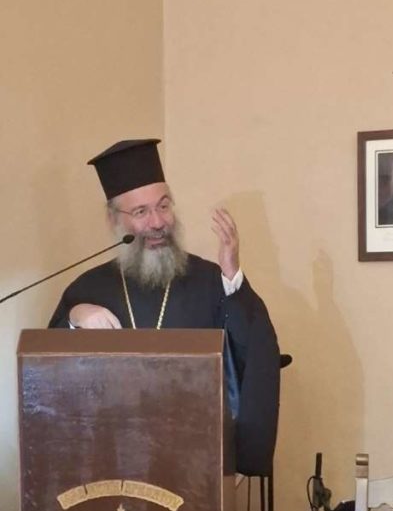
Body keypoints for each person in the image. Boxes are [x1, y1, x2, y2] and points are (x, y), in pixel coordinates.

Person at [48, 138, 280, 476]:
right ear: (114, 221)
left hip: (196, 462)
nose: (158, 222)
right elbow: (49, 378)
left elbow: (254, 351)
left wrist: (232, 277)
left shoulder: (210, 281)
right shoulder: (88, 289)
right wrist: (74, 318)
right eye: (141, 212)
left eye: (164, 206)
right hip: (108, 464)